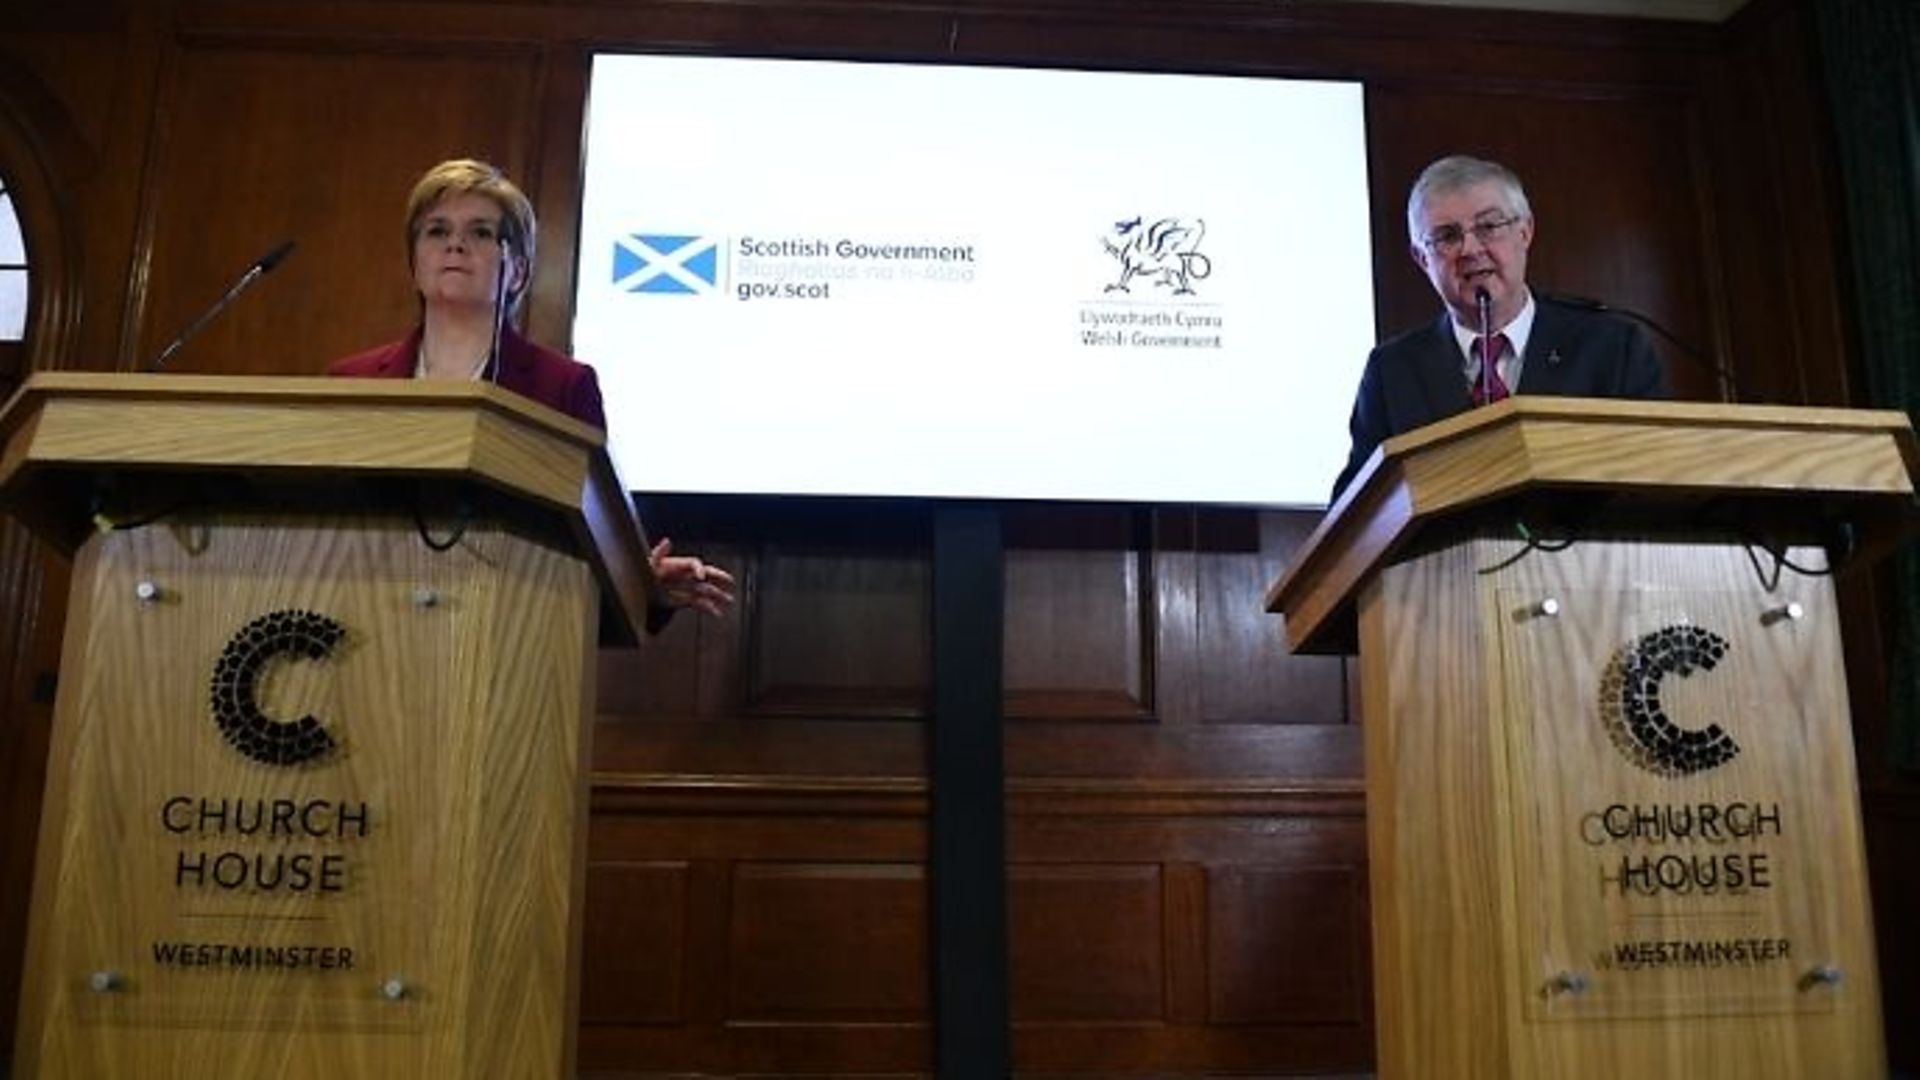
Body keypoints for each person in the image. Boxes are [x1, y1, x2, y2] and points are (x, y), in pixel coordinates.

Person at [330, 158, 734, 621]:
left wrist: (640, 583)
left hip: (506, 628)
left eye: (481, 232)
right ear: (415, 264)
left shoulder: (561, 385)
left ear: (518, 271)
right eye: (436, 231)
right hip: (366, 620)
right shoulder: (352, 381)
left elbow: (590, 542)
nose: (455, 244)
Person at [1330, 155, 1666, 499]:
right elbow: (1355, 511)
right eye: (1447, 236)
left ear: (1525, 232)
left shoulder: (1613, 347)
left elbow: (1657, 477)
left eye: (1488, 227)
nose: (1470, 249)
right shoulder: (1393, 371)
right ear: (1421, 259)